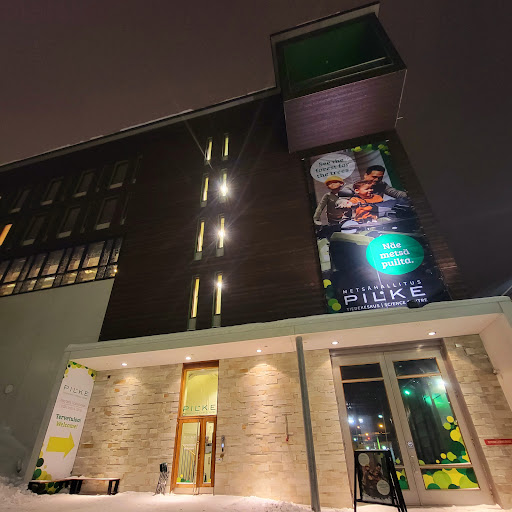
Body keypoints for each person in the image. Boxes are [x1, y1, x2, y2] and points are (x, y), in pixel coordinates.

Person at [339, 165, 407, 199]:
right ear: (366, 175)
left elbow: (396, 193)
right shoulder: (350, 188)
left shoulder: (382, 185)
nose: (377, 180)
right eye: (374, 177)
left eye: (380, 178)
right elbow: (341, 201)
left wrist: (410, 196)